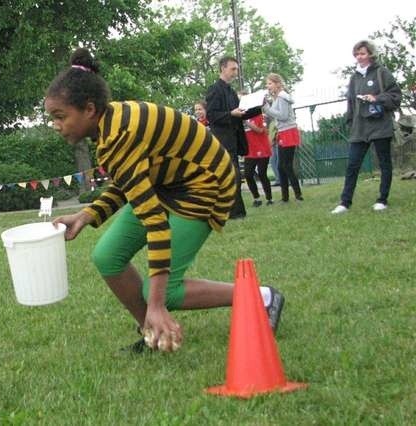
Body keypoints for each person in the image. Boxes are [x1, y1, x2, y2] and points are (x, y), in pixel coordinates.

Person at [45, 48, 284, 353]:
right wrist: (87, 215)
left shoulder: (118, 134)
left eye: (60, 117)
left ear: (89, 109)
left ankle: (262, 296)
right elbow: (131, 180)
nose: (56, 125)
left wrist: (156, 304)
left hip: (205, 185)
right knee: (107, 256)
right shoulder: (110, 124)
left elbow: (155, 223)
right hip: (169, 183)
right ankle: (152, 334)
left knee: (163, 292)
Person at [331, 40, 402, 214]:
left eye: (362, 53)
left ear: (370, 54)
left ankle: (382, 199)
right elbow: (351, 102)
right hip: (360, 127)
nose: (359, 57)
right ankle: (345, 202)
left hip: (380, 124)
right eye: (356, 54)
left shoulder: (381, 72)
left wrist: (376, 98)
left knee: (384, 163)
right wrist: (350, 121)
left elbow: (395, 96)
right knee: (352, 165)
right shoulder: (354, 77)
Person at [205, 56, 248, 219]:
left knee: (234, 175)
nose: (235, 72)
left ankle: (237, 211)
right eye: (233, 69)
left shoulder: (231, 92)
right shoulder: (214, 90)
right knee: (232, 175)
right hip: (223, 140)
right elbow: (212, 115)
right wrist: (231, 114)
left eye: (236, 69)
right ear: (223, 68)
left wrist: (257, 107)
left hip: (234, 139)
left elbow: (241, 112)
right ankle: (233, 212)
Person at [262, 73, 303, 202]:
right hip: (282, 132)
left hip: (288, 132)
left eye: (270, 83)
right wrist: (266, 107)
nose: (267, 86)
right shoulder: (276, 98)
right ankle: (285, 196)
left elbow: (283, 116)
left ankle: (298, 194)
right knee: (281, 166)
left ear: (277, 84)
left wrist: (266, 108)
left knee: (286, 165)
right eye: (267, 84)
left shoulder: (282, 96)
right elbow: (275, 114)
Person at [244, 113, 273, 206]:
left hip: (262, 148)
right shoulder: (242, 115)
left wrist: (246, 122)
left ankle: (269, 198)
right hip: (250, 150)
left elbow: (260, 130)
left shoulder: (260, 116)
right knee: (248, 174)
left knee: (262, 173)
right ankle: (256, 198)